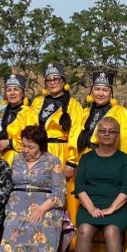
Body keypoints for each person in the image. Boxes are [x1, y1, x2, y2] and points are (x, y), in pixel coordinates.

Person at [0, 126, 66, 252]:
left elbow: (59, 193)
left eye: (30, 147)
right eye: (24, 146)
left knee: (36, 226)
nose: (26, 150)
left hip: (45, 204)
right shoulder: (17, 159)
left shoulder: (53, 161)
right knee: (11, 226)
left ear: (41, 146)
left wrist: (41, 209)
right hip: (18, 203)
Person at [74, 71, 127, 252]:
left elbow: (125, 141)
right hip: (88, 163)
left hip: (111, 162)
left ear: (111, 92)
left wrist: (121, 166)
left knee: (111, 227)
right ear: (91, 91)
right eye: (97, 89)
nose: (100, 93)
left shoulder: (120, 112)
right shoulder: (85, 112)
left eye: (105, 90)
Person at [70, 117, 127, 252]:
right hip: (89, 206)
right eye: (103, 130)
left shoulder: (124, 160)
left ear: (117, 135)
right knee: (84, 229)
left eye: (111, 131)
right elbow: (80, 187)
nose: (106, 134)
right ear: (97, 134)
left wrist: (111, 209)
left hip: (117, 208)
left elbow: (126, 189)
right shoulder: (86, 158)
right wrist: (91, 208)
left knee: (112, 231)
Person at [29, 63, 83, 241]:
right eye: (49, 80)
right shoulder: (38, 102)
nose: (52, 82)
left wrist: (71, 161)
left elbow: (75, 133)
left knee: (62, 196)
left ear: (64, 81)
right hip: (40, 151)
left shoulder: (73, 105)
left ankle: (67, 242)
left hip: (62, 152)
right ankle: (39, 237)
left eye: (56, 79)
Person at [0, 73, 38, 164]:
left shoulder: (28, 113)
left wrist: (10, 143)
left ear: (22, 93)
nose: (12, 93)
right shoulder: (4, 114)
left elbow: (32, 140)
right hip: (3, 160)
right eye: (9, 90)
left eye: (16, 89)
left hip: (21, 162)